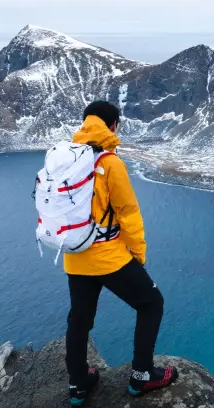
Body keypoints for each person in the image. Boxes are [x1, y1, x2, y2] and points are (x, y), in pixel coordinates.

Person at [64, 100, 177, 405]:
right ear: (113, 126)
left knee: (80, 320)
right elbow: (128, 213)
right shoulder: (110, 163)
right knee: (151, 303)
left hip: (75, 256)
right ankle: (142, 375)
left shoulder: (66, 157)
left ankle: (78, 383)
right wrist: (138, 255)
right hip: (109, 256)